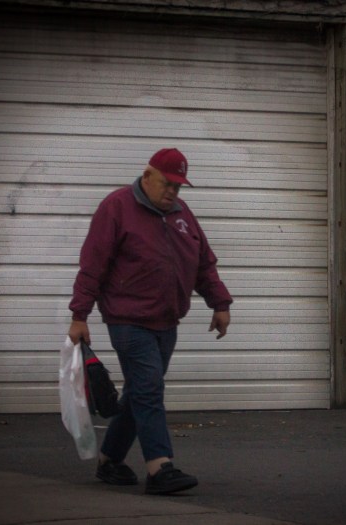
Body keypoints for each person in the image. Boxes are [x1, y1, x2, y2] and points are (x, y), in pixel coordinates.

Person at [67, 148, 232, 495]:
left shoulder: (182, 214)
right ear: (147, 175)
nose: (173, 191)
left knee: (140, 391)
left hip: (167, 321)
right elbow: (92, 265)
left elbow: (203, 263)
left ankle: (110, 460)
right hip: (127, 320)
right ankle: (160, 467)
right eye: (168, 183)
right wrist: (79, 315)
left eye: (179, 186)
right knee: (149, 389)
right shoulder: (117, 207)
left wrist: (219, 303)